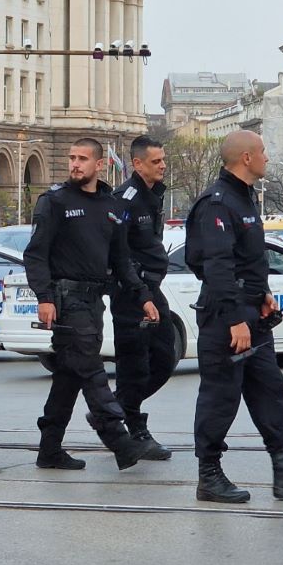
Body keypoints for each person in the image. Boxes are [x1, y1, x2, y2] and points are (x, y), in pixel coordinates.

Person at [185, 131, 283, 503]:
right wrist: (235, 316)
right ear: (247, 158)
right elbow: (213, 264)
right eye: (264, 152)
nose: (268, 158)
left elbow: (246, 259)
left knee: (271, 390)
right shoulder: (218, 203)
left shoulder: (243, 198)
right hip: (227, 317)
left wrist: (262, 294)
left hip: (252, 312)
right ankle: (209, 475)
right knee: (220, 398)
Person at [24, 138, 161, 472]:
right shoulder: (55, 201)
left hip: (93, 301)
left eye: (82, 158)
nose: (74, 163)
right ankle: (118, 439)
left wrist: (143, 296)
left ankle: (50, 449)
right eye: (72, 157)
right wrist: (43, 299)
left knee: (69, 376)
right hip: (66, 301)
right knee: (92, 370)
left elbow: (122, 260)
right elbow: (36, 254)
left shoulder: (109, 205)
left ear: (99, 165)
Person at [109, 135, 176, 460]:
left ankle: (113, 410)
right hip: (132, 293)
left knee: (164, 358)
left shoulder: (152, 196)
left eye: (163, 160)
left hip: (152, 289)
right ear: (137, 164)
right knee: (133, 366)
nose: (162, 165)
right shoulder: (126, 198)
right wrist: (139, 293)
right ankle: (133, 427)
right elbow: (120, 255)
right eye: (155, 161)